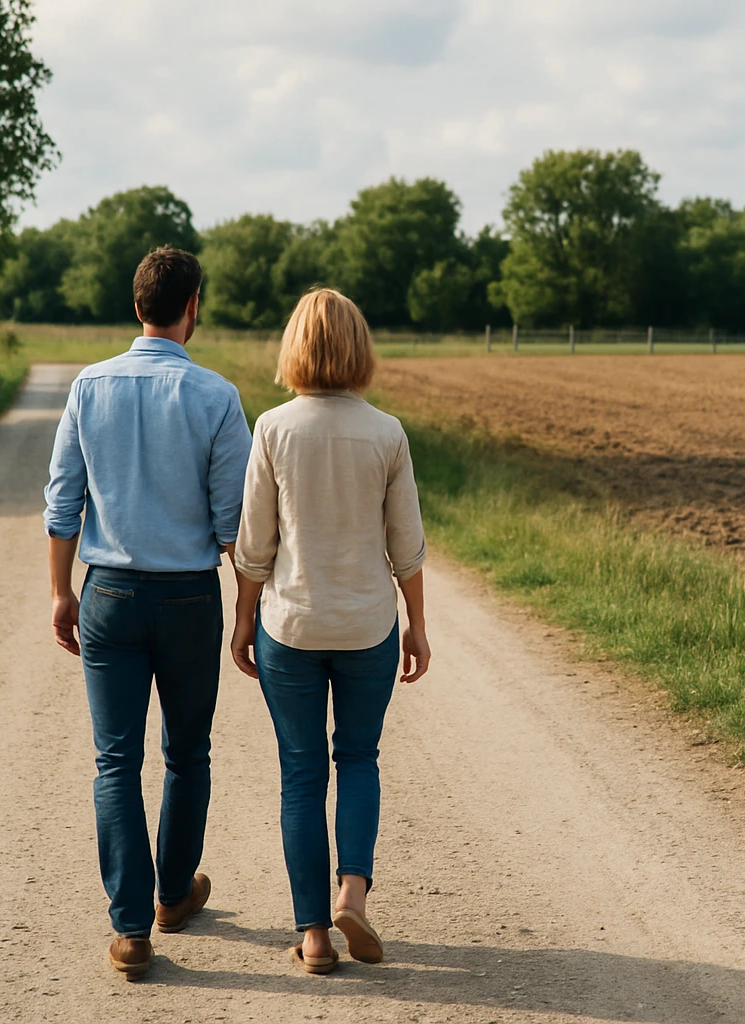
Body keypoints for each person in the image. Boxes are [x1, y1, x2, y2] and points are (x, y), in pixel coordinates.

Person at [43, 247, 252, 979]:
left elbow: (63, 502)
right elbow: (236, 527)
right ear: (192, 306)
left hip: (110, 594)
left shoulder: (89, 387)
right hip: (191, 596)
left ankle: (130, 930)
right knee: (187, 753)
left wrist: (61, 592)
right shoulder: (218, 397)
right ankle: (171, 894)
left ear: (138, 307)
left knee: (115, 760)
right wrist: (258, 605)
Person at [229, 287, 430, 975]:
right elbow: (407, 545)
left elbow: (254, 543)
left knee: (301, 773)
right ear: (358, 348)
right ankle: (354, 894)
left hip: (291, 624)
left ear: (295, 349)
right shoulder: (387, 432)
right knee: (360, 759)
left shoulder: (273, 428)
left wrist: (243, 619)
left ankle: (314, 936)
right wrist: (419, 627)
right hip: (368, 624)